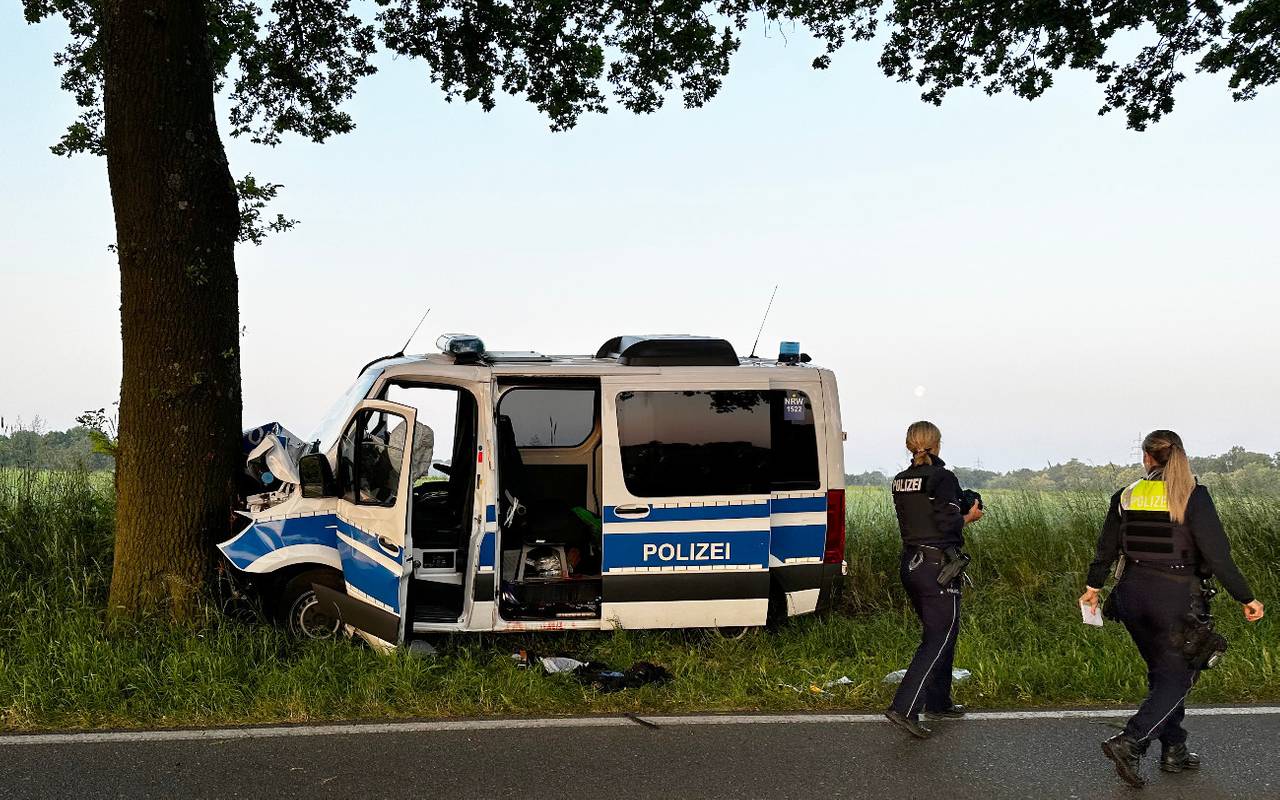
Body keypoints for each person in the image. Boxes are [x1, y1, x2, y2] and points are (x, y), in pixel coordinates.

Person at [1080, 430, 1265, 788]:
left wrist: (1093, 588)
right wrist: (1246, 597)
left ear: (1147, 458)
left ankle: (1175, 748)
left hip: (1131, 596)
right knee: (1180, 676)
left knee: (1164, 672)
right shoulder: (1192, 495)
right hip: (1175, 598)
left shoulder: (1127, 494)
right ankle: (1131, 741)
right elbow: (1217, 555)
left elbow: (1105, 549)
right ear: (1179, 456)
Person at [884, 420, 984, 739]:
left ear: (908, 445)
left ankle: (939, 700)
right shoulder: (942, 478)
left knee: (943, 632)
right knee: (938, 637)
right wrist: (970, 516)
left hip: (911, 564)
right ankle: (905, 708)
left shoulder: (900, 481)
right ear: (937, 444)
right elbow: (949, 524)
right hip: (937, 567)